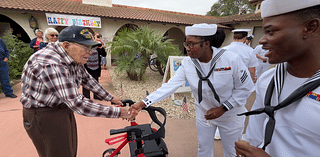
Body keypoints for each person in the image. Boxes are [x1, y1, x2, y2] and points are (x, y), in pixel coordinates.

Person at [129, 23, 255, 157]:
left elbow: (246, 88)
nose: (187, 49)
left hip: (231, 114)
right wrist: (143, 103)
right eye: (186, 44)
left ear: (206, 43)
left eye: (191, 44)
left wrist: (223, 108)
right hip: (204, 113)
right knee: (203, 148)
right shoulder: (188, 64)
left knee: (231, 151)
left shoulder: (230, 59)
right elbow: (170, 86)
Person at [21, 25, 130, 157]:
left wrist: (111, 98)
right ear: (66, 45)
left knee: (69, 149)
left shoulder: (71, 56)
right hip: (43, 114)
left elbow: (87, 79)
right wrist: (119, 112)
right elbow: (77, 103)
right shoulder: (51, 62)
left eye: (91, 47)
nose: (90, 52)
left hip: (60, 108)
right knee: (58, 153)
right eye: (86, 48)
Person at [235, 1, 320, 157]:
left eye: (271, 32)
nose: (261, 40)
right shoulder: (268, 80)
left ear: (310, 27)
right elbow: (254, 134)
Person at [82, 32, 107, 100]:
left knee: (96, 83)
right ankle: (86, 96)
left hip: (96, 68)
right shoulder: (84, 45)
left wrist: (102, 47)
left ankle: (96, 96)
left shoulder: (97, 46)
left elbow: (104, 54)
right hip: (87, 68)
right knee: (86, 82)